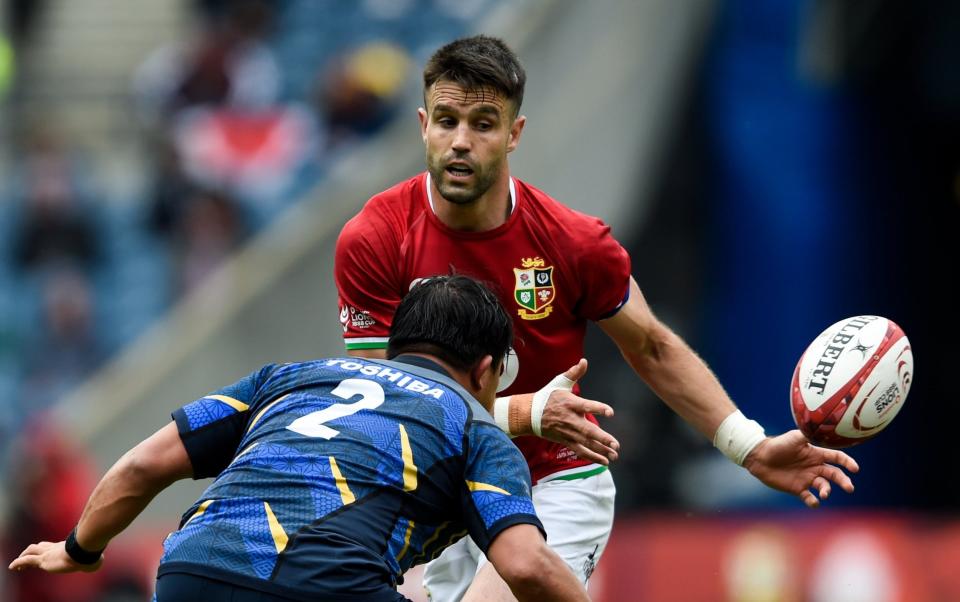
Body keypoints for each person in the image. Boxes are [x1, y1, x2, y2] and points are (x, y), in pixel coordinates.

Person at [334, 34, 861, 600]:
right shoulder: (374, 239)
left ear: (514, 134)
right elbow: (390, 407)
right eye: (446, 120)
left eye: (483, 124)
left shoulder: (573, 242)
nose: (460, 142)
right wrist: (532, 410)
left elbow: (652, 346)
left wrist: (748, 447)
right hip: (450, 487)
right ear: (423, 124)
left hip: (556, 482)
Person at [8, 275, 590, 602]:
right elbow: (528, 567)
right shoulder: (476, 428)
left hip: (190, 577)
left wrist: (77, 549)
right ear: (486, 371)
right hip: (323, 587)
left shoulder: (287, 377)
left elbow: (141, 467)